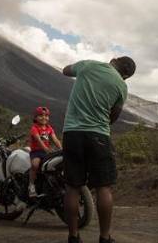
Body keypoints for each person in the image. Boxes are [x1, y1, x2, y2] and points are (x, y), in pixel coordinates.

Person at [61, 57, 135, 243]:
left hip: (72, 133)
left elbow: (65, 70)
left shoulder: (89, 65)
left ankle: (73, 236)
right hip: (99, 136)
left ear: (113, 60)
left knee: (73, 187)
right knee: (103, 188)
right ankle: (104, 237)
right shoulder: (121, 86)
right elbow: (114, 116)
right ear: (125, 76)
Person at [28, 106, 62, 198]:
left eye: (46, 115)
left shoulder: (49, 128)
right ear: (35, 117)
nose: (44, 117)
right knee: (35, 165)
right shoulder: (34, 128)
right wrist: (46, 149)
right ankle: (31, 185)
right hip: (37, 152)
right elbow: (39, 141)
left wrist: (61, 149)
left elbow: (55, 140)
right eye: (41, 115)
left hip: (46, 152)